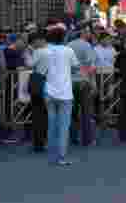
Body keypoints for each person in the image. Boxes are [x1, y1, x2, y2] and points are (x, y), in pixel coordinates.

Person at [35, 26, 79, 166]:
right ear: (63, 37)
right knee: (64, 125)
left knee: (51, 123)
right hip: (65, 91)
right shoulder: (68, 51)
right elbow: (75, 67)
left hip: (49, 90)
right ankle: (61, 156)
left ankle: (51, 154)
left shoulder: (43, 51)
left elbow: (38, 69)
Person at [67, 26, 97, 146]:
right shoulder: (86, 45)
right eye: (88, 32)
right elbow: (91, 65)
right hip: (84, 81)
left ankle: (73, 137)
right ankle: (87, 139)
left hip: (70, 82)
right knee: (86, 111)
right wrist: (92, 81)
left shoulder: (68, 46)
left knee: (72, 112)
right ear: (83, 33)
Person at [25, 31, 49, 153]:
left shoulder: (39, 51)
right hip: (51, 84)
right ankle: (46, 141)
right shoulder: (53, 50)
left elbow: (29, 64)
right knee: (46, 114)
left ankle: (39, 143)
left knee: (37, 114)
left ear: (40, 40)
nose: (33, 44)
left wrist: (27, 54)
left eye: (34, 42)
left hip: (38, 83)